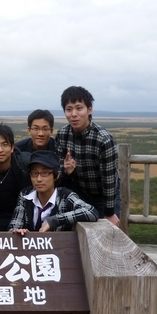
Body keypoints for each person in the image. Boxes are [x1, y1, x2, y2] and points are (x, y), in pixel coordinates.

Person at [9, 150, 98, 314]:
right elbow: (13, 225)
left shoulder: (65, 196)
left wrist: (55, 220)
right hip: (28, 257)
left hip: (56, 258)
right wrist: (18, 232)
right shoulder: (25, 195)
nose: (39, 179)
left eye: (45, 173)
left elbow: (91, 212)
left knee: (53, 311)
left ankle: (53, 300)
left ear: (56, 175)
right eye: (34, 174)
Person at [54, 86, 121, 227]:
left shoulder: (103, 139)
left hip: (104, 195)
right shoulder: (62, 135)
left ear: (89, 109)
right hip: (78, 194)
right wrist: (66, 171)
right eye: (69, 109)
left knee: (106, 233)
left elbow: (109, 179)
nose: (74, 114)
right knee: (76, 234)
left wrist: (109, 212)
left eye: (79, 108)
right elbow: (59, 171)